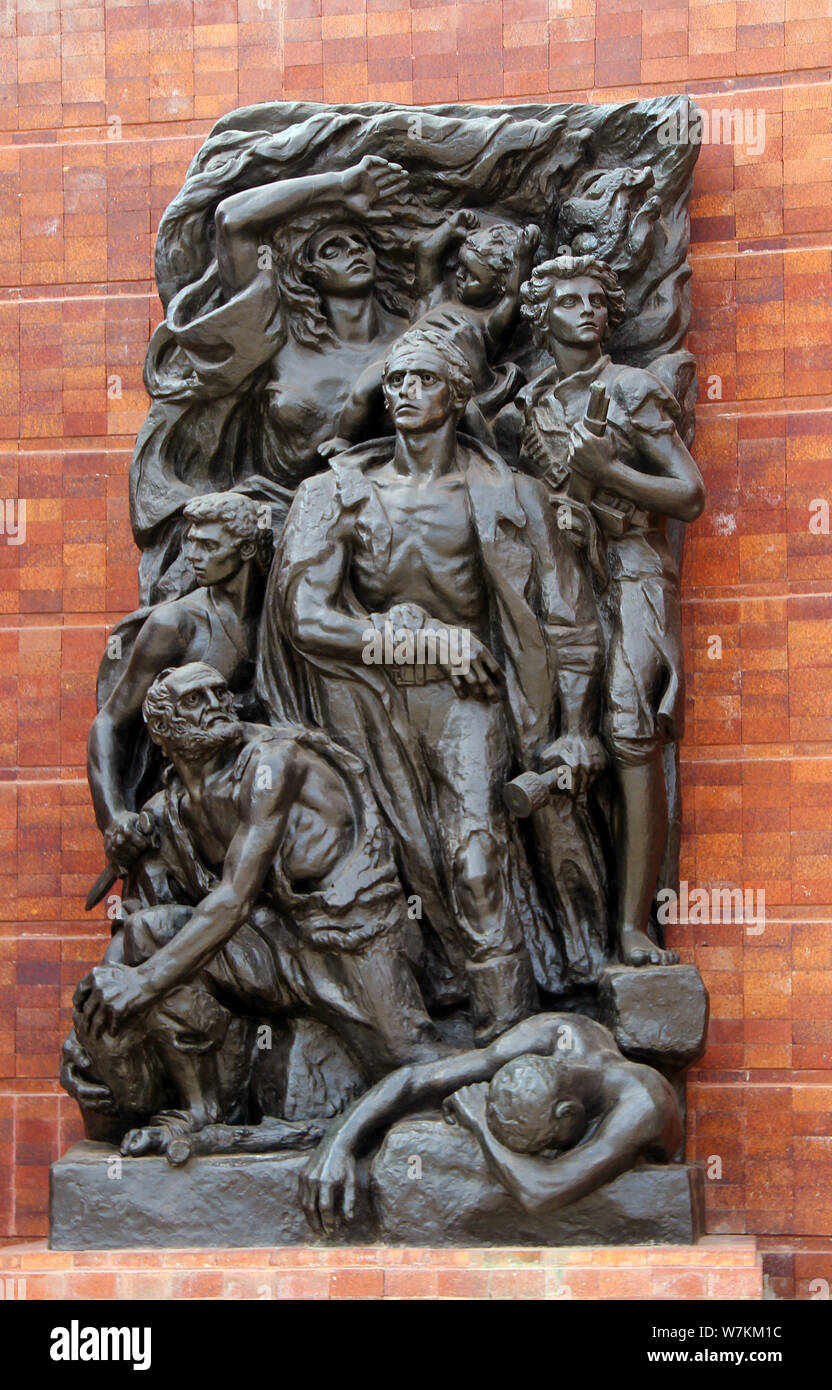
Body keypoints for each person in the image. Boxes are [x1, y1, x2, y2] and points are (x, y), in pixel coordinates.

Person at [260, 326, 610, 1038]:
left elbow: (569, 620)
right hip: (362, 703)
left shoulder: (512, 493)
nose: (404, 392)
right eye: (394, 381)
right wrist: (419, 636)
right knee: (396, 869)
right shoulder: (335, 494)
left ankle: (506, 1031)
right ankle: (405, 1036)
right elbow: (304, 616)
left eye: (421, 378)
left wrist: (574, 730)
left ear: (457, 393)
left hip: (469, 704)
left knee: (475, 862)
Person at [74, 663, 443, 1161]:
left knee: (410, 1064)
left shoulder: (273, 762)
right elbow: (153, 912)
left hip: (351, 938)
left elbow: (233, 897)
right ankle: (203, 1113)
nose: (217, 705)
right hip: (275, 943)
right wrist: (91, 1036)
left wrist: (143, 985)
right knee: (145, 934)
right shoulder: (178, 802)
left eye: (219, 692)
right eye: (194, 700)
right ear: (162, 729)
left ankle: (521, 1058)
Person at [498, 252, 705, 968]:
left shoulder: (632, 390)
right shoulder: (533, 404)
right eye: (570, 301)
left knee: (630, 729)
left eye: (597, 300)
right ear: (542, 316)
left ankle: (633, 928)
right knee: (554, 731)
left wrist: (610, 473)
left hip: (635, 567)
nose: (587, 310)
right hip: (566, 575)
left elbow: (689, 496)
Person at [133, 155, 412, 601]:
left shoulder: (411, 339)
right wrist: (341, 184)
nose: (354, 251)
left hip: (383, 519)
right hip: (276, 515)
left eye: (361, 243)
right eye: (333, 249)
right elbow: (232, 219)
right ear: (308, 273)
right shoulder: (276, 337)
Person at [299, 1011, 682, 1235]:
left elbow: (541, 1192)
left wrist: (479, 1122)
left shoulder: (642, 1103)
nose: (541, 1153)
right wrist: (339, 1142)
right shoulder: (552, 1034)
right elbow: (417, 1079)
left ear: (568, 1114)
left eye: (534, 1147)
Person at [88, 491, 270, 874]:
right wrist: (114, 818)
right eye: (191, 542)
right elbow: (110, 721)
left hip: (268, 798)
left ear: (248, 549)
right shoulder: (176, 625)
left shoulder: (279, 612)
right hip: (191, 808)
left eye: (207, 545)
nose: (192, 555)